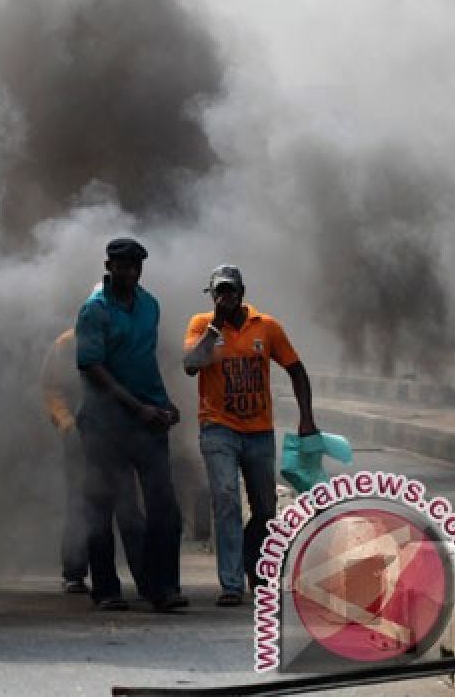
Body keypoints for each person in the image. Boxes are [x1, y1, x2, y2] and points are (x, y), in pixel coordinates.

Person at [182, 265, 318, 607]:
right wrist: (215, 325)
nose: (225, 297)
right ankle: (231, 583)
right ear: (212, 296)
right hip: (217, 427)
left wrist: (306, 419)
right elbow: (190, 364)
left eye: (230, 291)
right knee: (226, 498)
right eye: (219, 292)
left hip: (259, 431)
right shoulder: (201, 325)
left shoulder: (267, 327)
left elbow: (296, 370)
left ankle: (253, 565)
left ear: (242, 293)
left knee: (265, 507)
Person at [75, 237, 185, 612]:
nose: (130, 272)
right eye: (123, 266)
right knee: (102, 505)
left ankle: (163, 587)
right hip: (105, 424)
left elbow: (145, 361)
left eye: (136, 266)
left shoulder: (150, 306)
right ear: (109, 267)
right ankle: (105, 588)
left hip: (147, 420)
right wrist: (137, 408)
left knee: (164, 507)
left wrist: (164, 401)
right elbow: (92, 366)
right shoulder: (94, 310)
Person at [40, 329, 147, 596]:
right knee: (80, 500)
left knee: (127, 502)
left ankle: (145, 576)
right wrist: (66, 423)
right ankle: (74, 572)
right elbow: (52, 388)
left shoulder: (126, 338)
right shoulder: (66, 344)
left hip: (117, 433)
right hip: (81, 433)